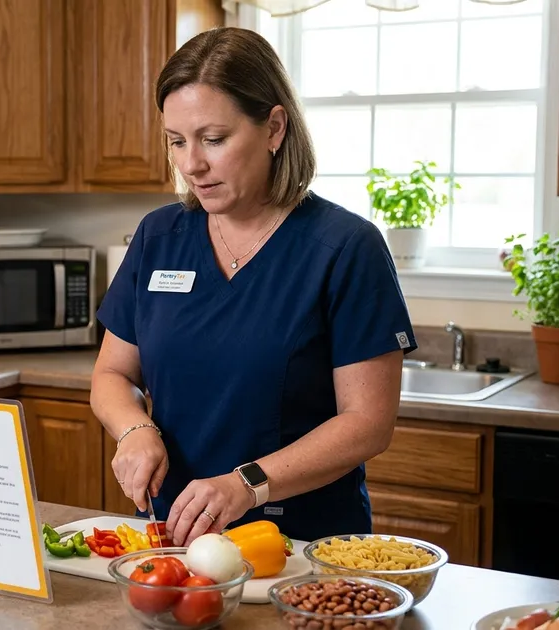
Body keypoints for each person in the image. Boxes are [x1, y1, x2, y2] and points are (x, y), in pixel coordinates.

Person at [91, 26, 416, 549]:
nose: (191, 163)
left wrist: (248, 484)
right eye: (177, 141)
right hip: (175, 539)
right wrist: (134, 429)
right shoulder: (159, 235)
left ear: (274, 128)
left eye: (213, 139)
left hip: (302, 549)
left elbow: (368, 423)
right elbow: (112, 373)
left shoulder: (346, 247)